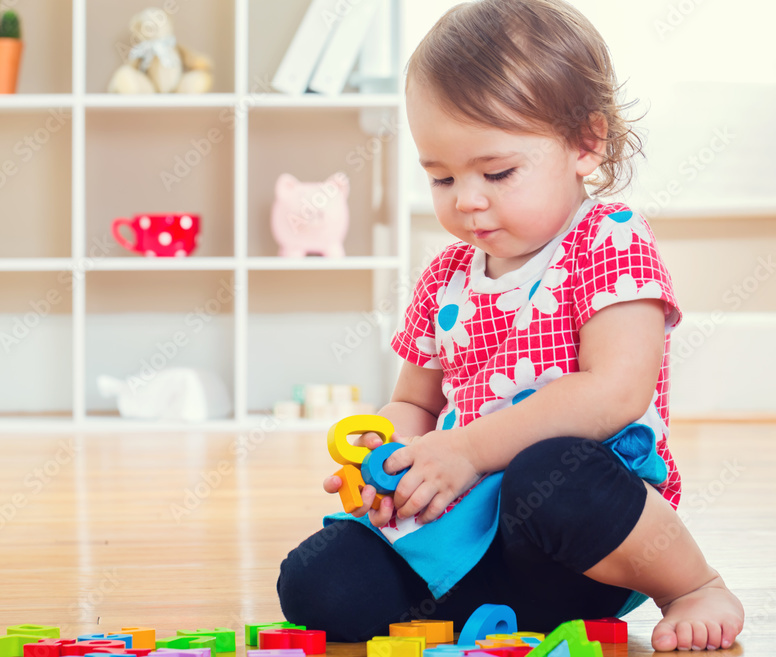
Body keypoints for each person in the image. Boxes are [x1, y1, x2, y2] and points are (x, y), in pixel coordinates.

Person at [276, 0, 744, 651]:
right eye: (440, 176)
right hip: (469, 535)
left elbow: (614, 391)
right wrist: (391, 460)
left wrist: (466, 450)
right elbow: (415, 399)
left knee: (553, 472)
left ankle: (693, 583)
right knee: (316, 585)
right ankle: (468, 606)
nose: (467, 198)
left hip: (580, 536)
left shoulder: (608, 241)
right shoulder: (446, 275)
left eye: (497, 172)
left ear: (587, 143)